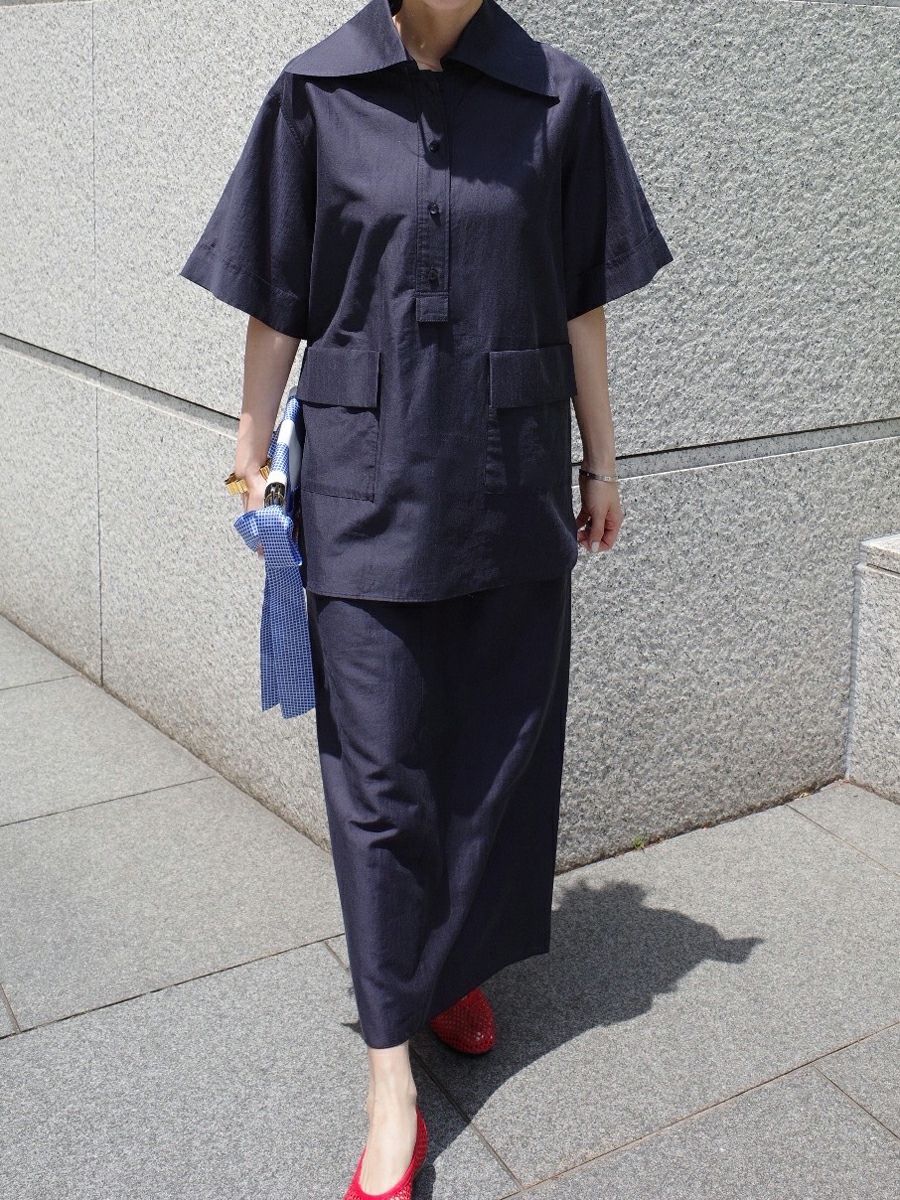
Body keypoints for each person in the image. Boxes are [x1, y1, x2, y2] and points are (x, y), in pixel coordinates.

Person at [179, 1, 673, 1195]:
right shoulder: (316, 94)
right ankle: (390, 1073)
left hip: (512, 475)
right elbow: (276, 295)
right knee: (382, 775)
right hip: (362, 482)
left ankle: (447, 966)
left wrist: (603, 463)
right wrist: (248, 454)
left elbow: (582, 301)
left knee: (495, 750)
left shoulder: (560, 99)